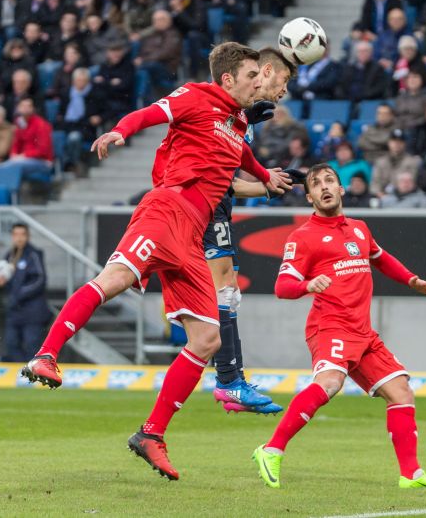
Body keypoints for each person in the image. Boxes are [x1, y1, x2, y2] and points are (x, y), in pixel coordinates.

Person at [21, 43, 290, 481]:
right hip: (167, 210)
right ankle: (46, 355)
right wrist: (118, 132)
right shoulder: (195, 96)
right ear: (228, 79)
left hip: (192, 234)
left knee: (206, 340)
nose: (260, 83)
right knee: (115, 279)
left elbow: (240, 153)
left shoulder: (237, 120)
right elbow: (148, 114)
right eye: (252, 77)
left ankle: (151, 434)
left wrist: (264, 177)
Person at [252, 163, 426, 490]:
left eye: (330, 181)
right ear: (310, 198)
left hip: (362, 331)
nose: (324, 187)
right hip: (330, 326)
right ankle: (271, 449)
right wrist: (307, 285)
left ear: (342, 189)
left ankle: (411, 474)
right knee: (330, 383)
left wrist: (411, 279)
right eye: (316, 184)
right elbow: (282, 287)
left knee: (401, 391)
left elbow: (380, 257)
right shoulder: (303, 237)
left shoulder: (359, 228)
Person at [204, 48, 296, 416]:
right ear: (266, 71)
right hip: (202, 204)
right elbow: (215, 170)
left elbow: (230, 182)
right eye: (284, 80)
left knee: (226, 289)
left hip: (217, 203)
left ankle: (231, 378)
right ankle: (229, 380)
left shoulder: (245, 118)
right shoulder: (228, 108)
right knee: (222, 287)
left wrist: (275, 183)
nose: (284, 90)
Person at [0, 223, 52, 362]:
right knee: (11, 343)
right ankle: (21, 375)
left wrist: (18, 294)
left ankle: (33, 377)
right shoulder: (9, 256)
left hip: (33, 311)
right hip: (15, 311)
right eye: (16, 235)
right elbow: (6, 280)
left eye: (22, 234)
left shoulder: (34, 254)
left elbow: (40, 280)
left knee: (32, 345)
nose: (19, 238)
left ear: (28, 236)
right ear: (12, 237)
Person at [0, 98, 54, 179]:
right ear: (18, 108)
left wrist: (24, 155)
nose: (25, 108)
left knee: (10, 166)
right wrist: (13, 154)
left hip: (42, 162)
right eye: (23, 106)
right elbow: (16, 143)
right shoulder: (19, 122)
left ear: (33, 109)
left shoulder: (41, 124)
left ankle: (10, 190)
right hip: (23, 160)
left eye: (28, 106)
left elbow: (43, 150)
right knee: (3, 166)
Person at [370, 129, 420, 197]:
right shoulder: (380, 162)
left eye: (400, 142)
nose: (397, 144)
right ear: (389, 143)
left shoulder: (411, 161)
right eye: (394, 141)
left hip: (404, 198)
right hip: (381, 198)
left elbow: (410, 184)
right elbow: (375, 183)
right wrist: (381, 196)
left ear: (404, 144)